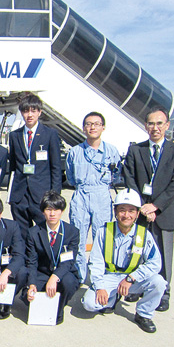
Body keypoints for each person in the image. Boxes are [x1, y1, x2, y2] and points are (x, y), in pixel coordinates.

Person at [123, 106, 174, 312]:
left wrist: (155, 206)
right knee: (138, 252)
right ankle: (137, 287)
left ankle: (164, 293)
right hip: (140, 213)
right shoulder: (136, 150)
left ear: (167, 126)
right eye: (151, 123)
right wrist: (142, 206)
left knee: (164, 256)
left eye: (160, 123)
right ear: (145, 126)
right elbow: (129, 178)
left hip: (164, 212)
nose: (155, 128)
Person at [81, 188, 166, 333]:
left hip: (132, 279)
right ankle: (112, 297)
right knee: (89, 304)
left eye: (131, 211)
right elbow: (96, 262)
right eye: (122, 210)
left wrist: (132, 278)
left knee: (159, 282)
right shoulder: (104, 231)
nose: (126, 215)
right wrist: (100, 286)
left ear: (138, 213)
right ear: (115, 212)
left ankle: (143, 314)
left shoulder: (144, 235)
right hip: (109, 277)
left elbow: (155, 263)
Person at [65, 112, 121, 282]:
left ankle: (98, 276)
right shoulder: (75, 152)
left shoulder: (111, 151)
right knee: (78, 239)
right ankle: (79, 277)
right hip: (81, 195)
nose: (92, 127)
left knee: (101, 237)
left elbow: (116, 176)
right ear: (83, 128)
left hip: (102, 195)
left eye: (96, 124)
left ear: (103, 127)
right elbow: (71, 177)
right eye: (89, 124)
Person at [8, 93, 62, 238]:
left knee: (43, 234)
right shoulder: (14, 136)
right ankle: (25, 261)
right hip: (20, 196)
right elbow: (13, 166)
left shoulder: (50, 134)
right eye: (26, 111)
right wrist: (12, 196)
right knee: (22, 235)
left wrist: (54, 196)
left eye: (33, 110)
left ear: (39, 112)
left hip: (41, 195)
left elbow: (56, 168)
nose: (29, 114)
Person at [24, 191, 80, 325]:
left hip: (63, 272)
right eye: (49, 210)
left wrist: (54, 278)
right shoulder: (34, 232)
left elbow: (69, 261)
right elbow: (31, 261)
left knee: (69, 283)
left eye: (56, 210)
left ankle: (59, 308)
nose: (52, 214)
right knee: (28, 296)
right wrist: (31, 284)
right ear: (43, 212)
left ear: (62, 211)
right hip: (42, 272)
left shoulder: (72, 232)